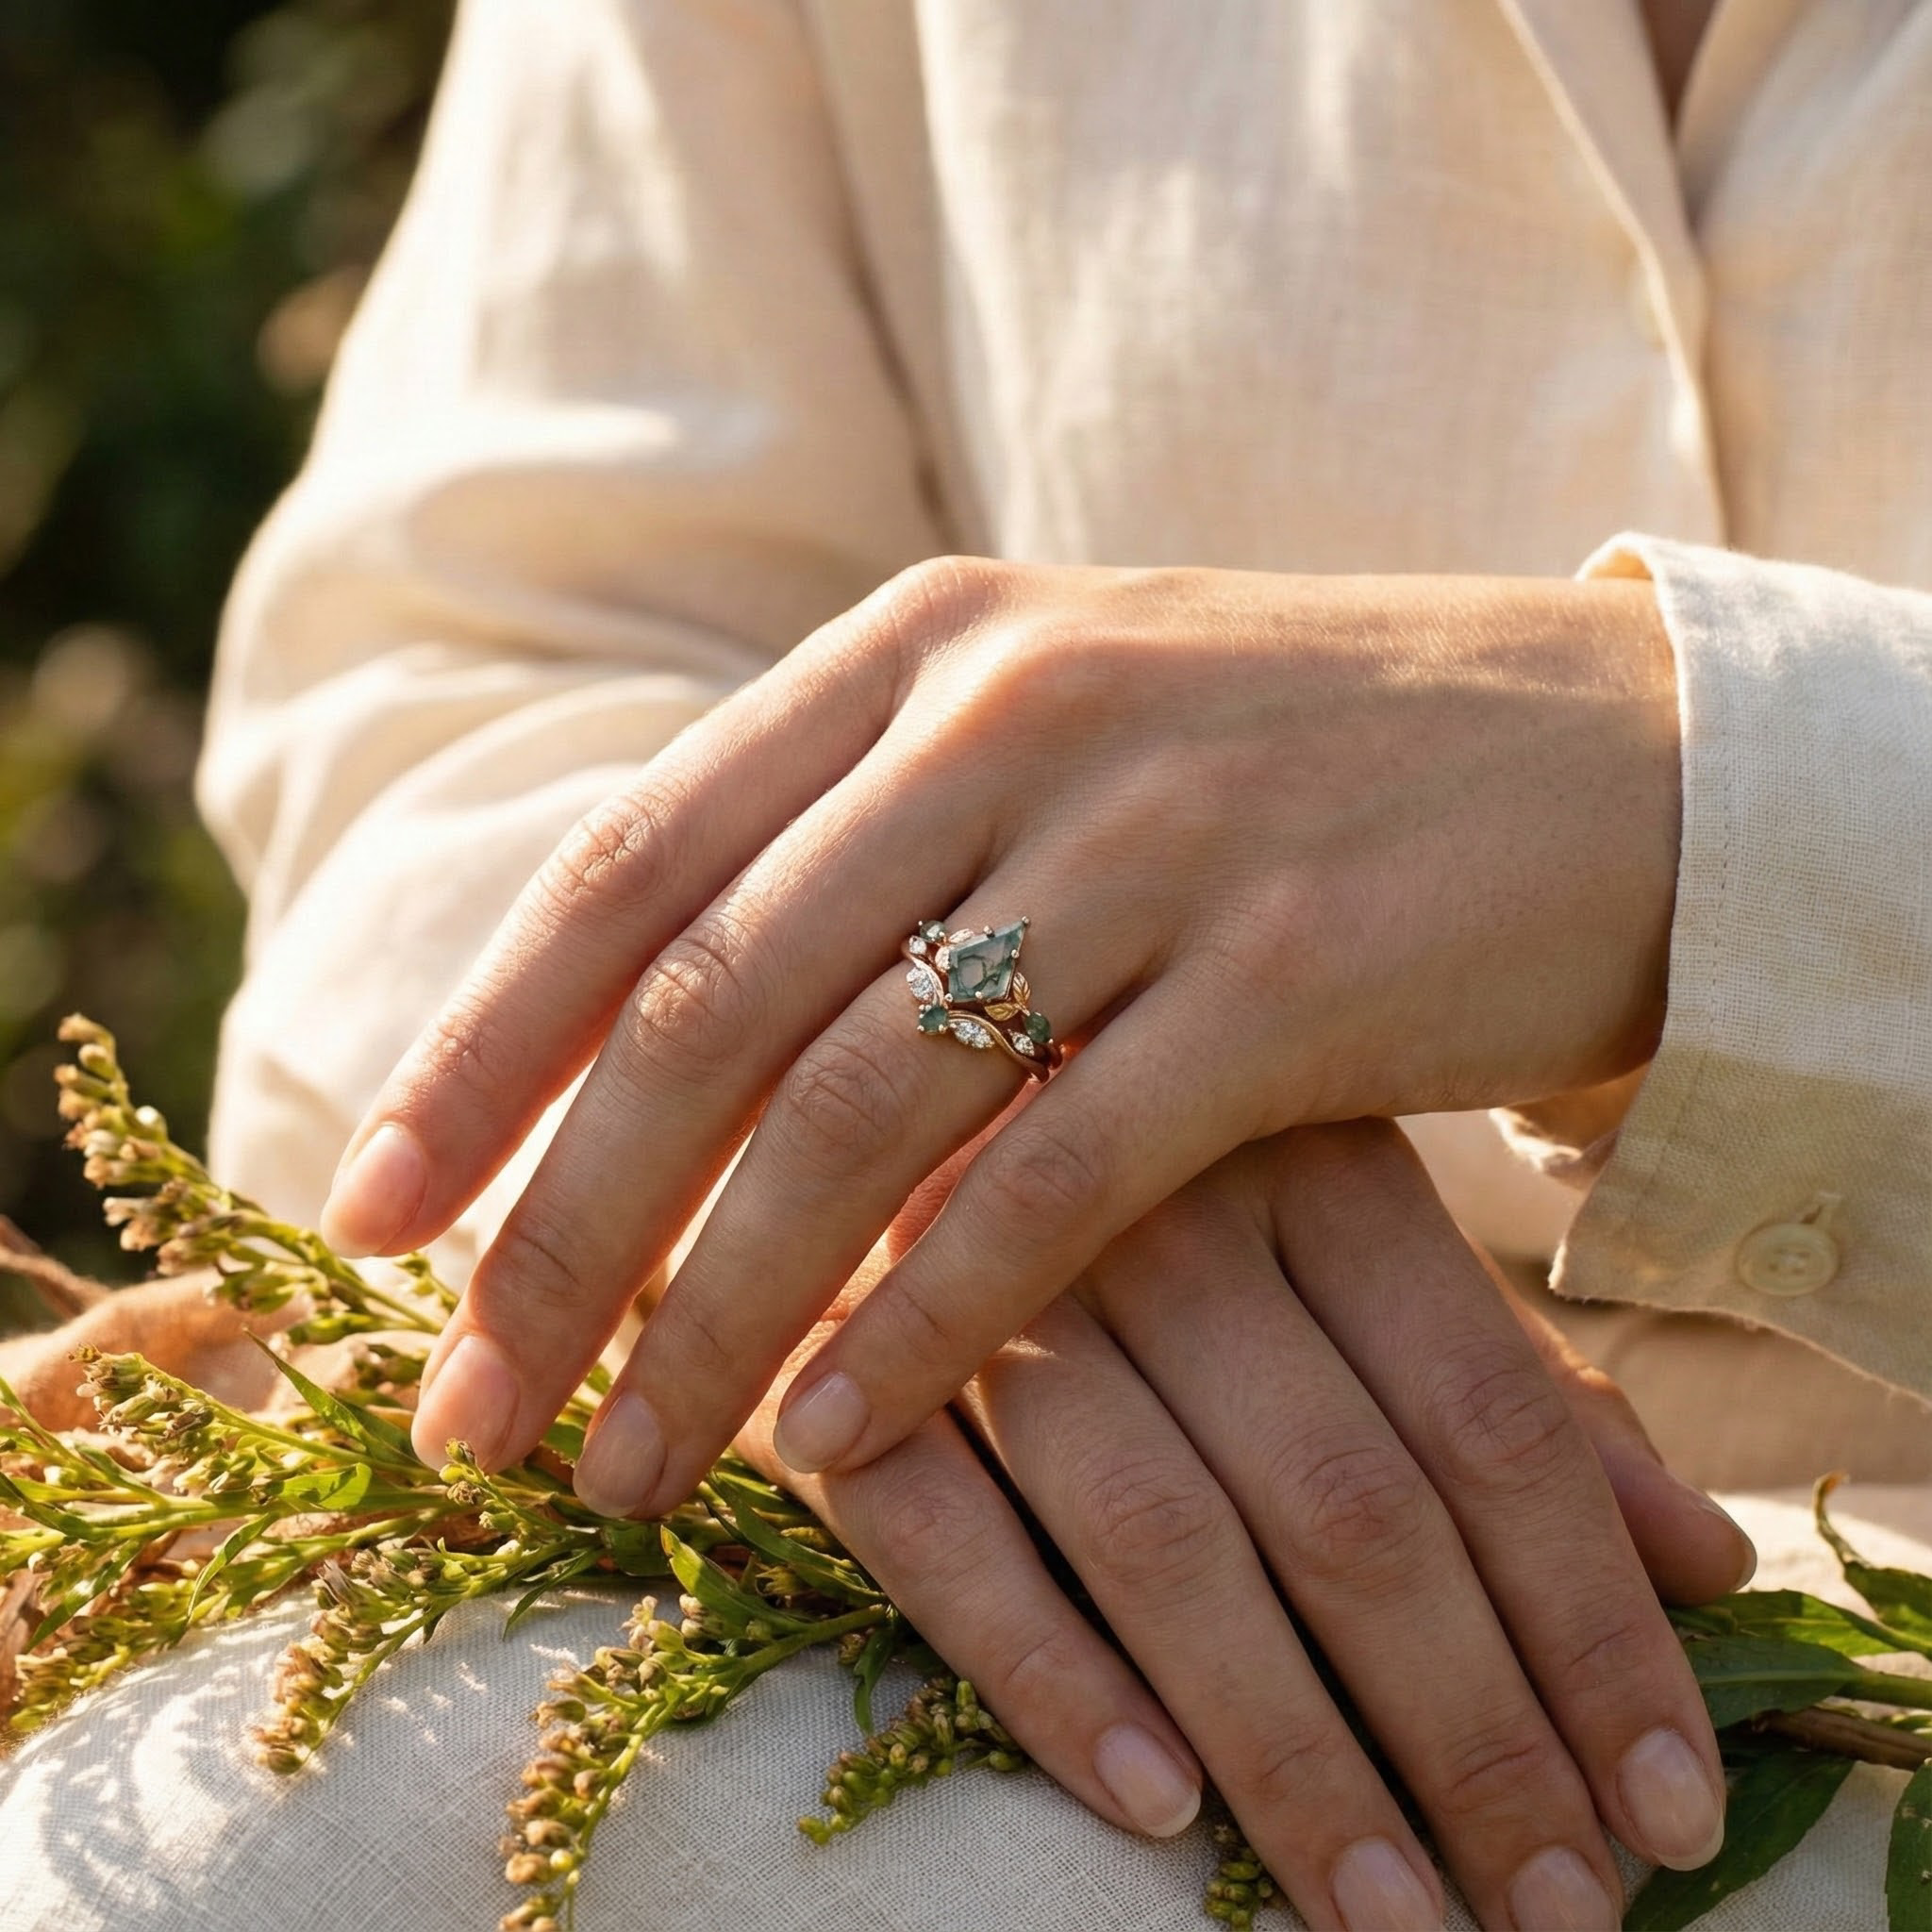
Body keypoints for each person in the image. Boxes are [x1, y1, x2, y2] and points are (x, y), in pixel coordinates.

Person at [5, 3, 1929, 1928]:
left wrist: (1713, 810)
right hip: (1028, 1454)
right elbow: (494, 620)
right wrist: (861, 1117)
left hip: (1829, 1646)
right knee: (214, 1832)